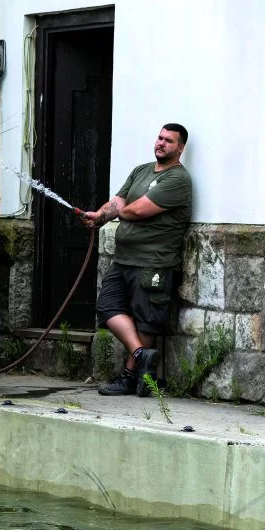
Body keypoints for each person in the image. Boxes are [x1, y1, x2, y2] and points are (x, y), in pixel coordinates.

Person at [81, 124, 193, 396]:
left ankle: (133, 377)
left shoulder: (177, 179)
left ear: (180, 148)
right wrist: (100, 214)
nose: (161, 143)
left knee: (146, 321)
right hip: (125, 259)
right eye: (159, 137)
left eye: (169, 141)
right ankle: (142, 355)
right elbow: (117, 202)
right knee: (107, 306)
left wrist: (114, 214)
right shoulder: (140, 171)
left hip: (154, 262)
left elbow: (138, 210)